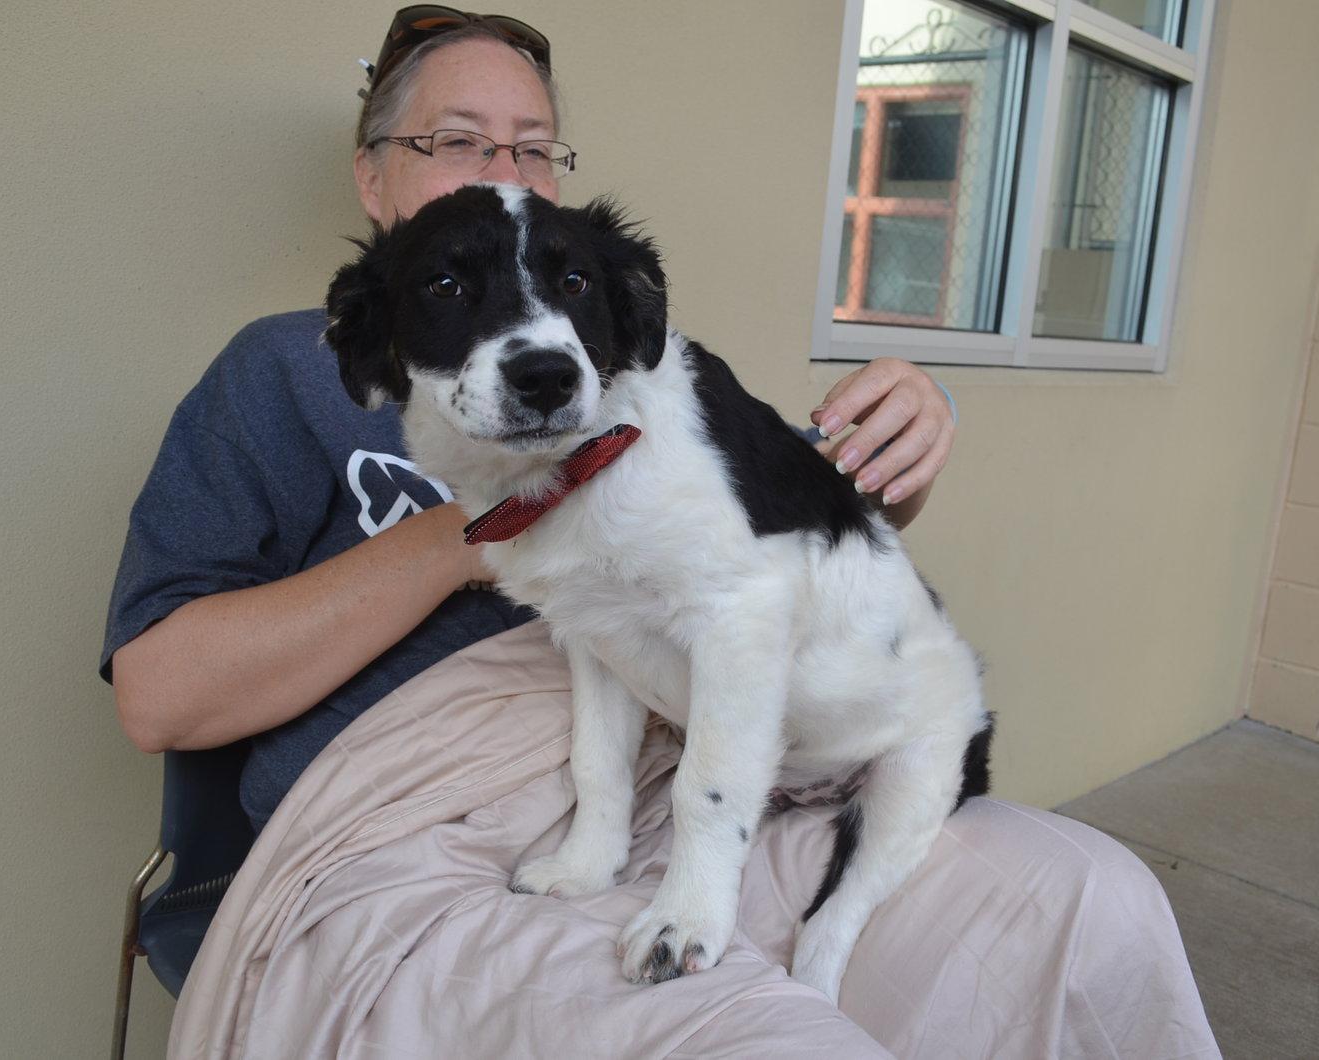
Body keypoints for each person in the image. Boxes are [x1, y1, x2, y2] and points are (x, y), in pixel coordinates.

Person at [103, 9, 1217, 1056]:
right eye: (458, 142)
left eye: (534, 150)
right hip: (424, 836)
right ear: (372, 174)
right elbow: (159, 695)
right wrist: (474, 533)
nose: (504, 177)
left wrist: (906, 433)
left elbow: (780, 537)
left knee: (1091, 901)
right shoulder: (284, 370)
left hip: (692, 766)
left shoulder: (621, 371)